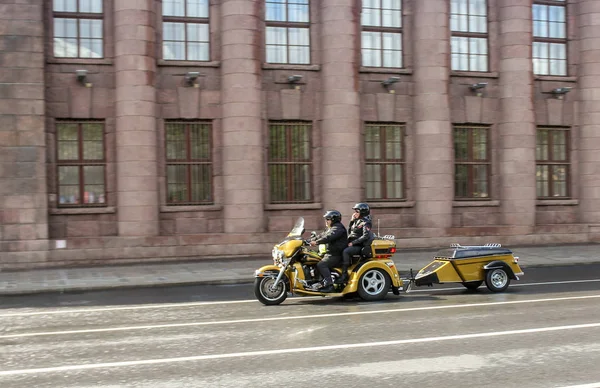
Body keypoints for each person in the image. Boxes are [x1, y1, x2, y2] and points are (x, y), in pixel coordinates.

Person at [309, 210, 348, 292]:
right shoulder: (330, 228)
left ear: (333, 220)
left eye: (328, 219)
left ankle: (329, 285)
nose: (326, 221)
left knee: (321, 265)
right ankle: (317, 282)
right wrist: (309, 240)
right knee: (313, 260)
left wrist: (316, 242)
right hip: (330, 253)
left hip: (336, 255)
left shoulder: (338, 228)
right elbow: (322, 235)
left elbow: (328, 237)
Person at [337, 203, 374, 284]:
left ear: (362, 212)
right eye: (355, 211)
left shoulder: (366, 222)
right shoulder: (357, 221)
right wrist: (351, 221)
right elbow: (350, 232)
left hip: (360, 245)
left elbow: (365, 236)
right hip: (353, 243)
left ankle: (344, 275)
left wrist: (353, 243)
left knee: (346, 251)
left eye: (357, 211)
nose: (355, 213)